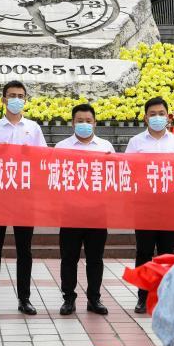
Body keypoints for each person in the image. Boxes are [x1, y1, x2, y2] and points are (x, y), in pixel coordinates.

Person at [0, 80, 47, 316]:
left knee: (24, 250)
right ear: (4, 99)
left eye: (20, 95)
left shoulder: (34, 129)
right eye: (12, 95)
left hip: (25, 198)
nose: (16, 99)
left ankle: (24, 298)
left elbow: (43, 160)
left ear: (25, 100)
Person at [124, 96, 174, 314]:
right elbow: (128, 171)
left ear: (168, 117)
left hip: (170, 206)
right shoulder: (136, 143)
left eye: (161, 114)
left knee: (166, 251)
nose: (157, 118)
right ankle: (143, 297)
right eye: (152, 114)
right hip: (145, 205)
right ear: (145, 118)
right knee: (143, 252)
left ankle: (163, 297)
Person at [54, 103, 114, 316]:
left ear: (95, 123)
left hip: (97, 212)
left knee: (95, 259)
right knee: (69, 258)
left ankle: (94, 299)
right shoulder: (61, 147)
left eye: (88, 121)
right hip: (71, 212)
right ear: (73, 123)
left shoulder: (106, 147)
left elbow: (113, 177)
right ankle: (68, 299)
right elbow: (54, 179)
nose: (84, 124)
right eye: (80, 121)